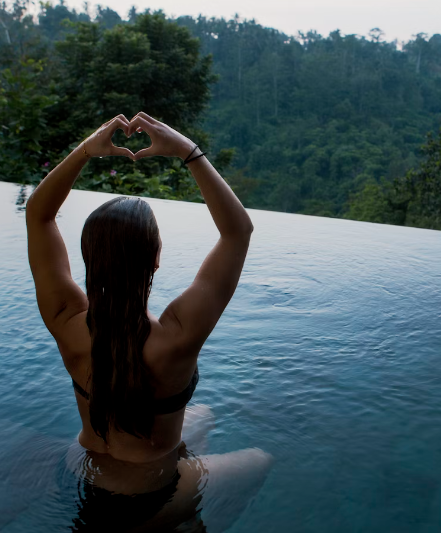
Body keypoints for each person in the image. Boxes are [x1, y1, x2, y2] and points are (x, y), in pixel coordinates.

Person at [25, 112, 273, 531]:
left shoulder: (66, 319)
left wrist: (87, 150)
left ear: (89, 259)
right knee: (260, 461)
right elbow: (238, 232)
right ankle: (179, 520)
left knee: (205, 415)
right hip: (149, 495)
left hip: (81, 468)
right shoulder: (177, 335)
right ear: (156, 258)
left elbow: (38, 214)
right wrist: (187, 151)